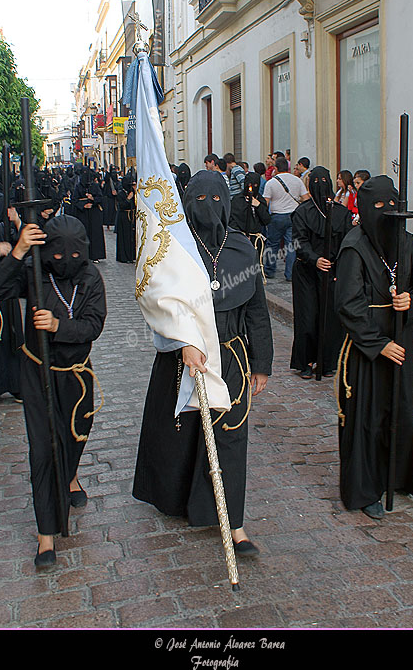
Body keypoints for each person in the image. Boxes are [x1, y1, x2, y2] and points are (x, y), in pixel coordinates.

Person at [132, 170, 273, 555]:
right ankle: (179, 499)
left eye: (215, 201)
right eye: (199, 201)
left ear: (226, 205)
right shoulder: (175, 248)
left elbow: (257, 310)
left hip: (231, 357)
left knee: (231, 436)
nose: (207, 209)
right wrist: (182, 343)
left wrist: (261, 363)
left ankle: (234, 522)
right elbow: (159, 303)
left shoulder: (242, 247)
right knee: (183, 432)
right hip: (185, 357)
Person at [0, 215, 107, 565]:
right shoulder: (34, 274)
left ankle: (70, 476)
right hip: (37, 372)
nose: (65, 263)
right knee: (43, 449)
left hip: (76, 373)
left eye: (73, 256)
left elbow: (93, 325)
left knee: (74, 437)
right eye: (57, 257)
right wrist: (19, 252)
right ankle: (46, 535)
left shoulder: (90, 277)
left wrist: (59, 326)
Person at [334, 175, 413, 519]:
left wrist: (411, 302)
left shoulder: (407, 243)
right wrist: (378, 344)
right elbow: (348, 304)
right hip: (369, 346)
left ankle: (397, 477)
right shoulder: (354, 246)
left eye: (392, 205)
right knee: (368, 416)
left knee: (402, 409)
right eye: (378, 206)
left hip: (403, 339)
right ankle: (365, 490)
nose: (387, 212)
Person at [290, 167, 353, 378]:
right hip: (307, 271)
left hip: (331, 271)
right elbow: (299, 241)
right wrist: (315, 259)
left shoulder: (341, 213)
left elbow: (347, 241)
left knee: (330, 319)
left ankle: (327, 361)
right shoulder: (302, 212)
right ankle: (306, 361)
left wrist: (336, 262)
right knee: (308, 317)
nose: (320, 185)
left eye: (324, 181)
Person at [0, 207, 24, 402]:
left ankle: (15, 384)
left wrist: (17, 221)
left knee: (10, 336)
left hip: (3, 292)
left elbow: (17, 244)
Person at [262, 156, 306, 280]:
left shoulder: (271, 183)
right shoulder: (297, 180)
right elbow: (306, 198)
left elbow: (266, 202)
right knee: (291, 245)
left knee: (272, 244)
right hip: (293, 215)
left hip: (277, 216)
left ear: (275, 168)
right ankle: (290, 273)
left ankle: (269, 270)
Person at [229, 171, 271, 280]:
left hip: (256, 238)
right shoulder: (237, 200)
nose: (251, 188)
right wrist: (240, 234)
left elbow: (266, 220)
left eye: (255, 186)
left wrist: (258, 206)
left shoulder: (260, 200)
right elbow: (232, 219)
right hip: (241, 237)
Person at [72, 168, 106, 262]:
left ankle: (95, 255)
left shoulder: (95, 186)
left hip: (94, 213)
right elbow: (74, 200)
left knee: (95, 234)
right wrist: (83, 205)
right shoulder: (78, 187)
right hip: (83, 214)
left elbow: (100, 198)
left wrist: (93, 199)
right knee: (84, 233)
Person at [115, 171, 136, 263]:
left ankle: (131, 256)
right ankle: (124, 256)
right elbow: (121, 205)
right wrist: (128, 199)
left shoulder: (133, 192)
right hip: (123, 217)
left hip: (131, 216)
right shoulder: (121, 193)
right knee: (124, 237)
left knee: (131, 237)